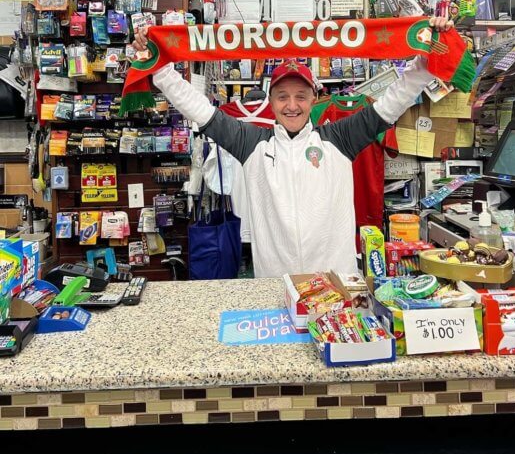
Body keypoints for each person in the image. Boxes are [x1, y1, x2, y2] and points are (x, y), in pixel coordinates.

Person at [133, 16, 453, 278]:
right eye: (283, 96)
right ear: (271, 102)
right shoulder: (252, 144)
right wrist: (158, 68)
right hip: (276, 286)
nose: (292, 105)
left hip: (337, 283)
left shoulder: (339, 139)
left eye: (300, 96)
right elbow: (200, 110)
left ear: (313, 99)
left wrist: (428, 56)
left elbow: (393, 101)